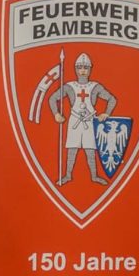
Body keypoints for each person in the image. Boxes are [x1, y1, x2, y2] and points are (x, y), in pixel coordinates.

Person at [49, 52, 117, 185]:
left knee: (90, 150)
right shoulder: (70, 87)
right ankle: (68, 175)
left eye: (85, 68)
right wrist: (56, 114)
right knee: (72, 150)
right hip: (74, 121)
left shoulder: (95, 87)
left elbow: (112, 99)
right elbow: (52, 98)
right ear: (76, 69)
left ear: (90, 69)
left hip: (89, 121)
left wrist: (106, 113)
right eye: (80, 67)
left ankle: (94, 176)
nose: (82, 71)